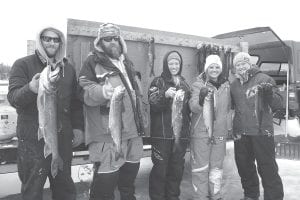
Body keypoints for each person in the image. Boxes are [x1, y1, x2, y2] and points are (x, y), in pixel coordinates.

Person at [7, 27, 84, 200]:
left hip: (62, 140)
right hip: (32, 140)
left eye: (56, 40)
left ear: (60, 43)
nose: (51, 42)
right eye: (47, 38)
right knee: (32, 190)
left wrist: (78, 128)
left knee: (65, 188)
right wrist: (31, 88)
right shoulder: (23, 64)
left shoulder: (68, 69)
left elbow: (76, 103)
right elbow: (13, 98)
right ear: (40, 40)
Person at [78, 23, 144, 200]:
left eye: (116, 38)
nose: (113, 42)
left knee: (128, 185)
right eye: (107, 39)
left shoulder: (127, 63)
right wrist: (101, 92)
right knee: (103, 190)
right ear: (100, 41)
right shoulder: (92, 62)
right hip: (106, 138)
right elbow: (82, 91)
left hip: (132, 135)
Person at [230, 52, 284, 200]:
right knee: (244, 167)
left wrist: (268, 94)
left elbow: (278, 103)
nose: (241, 67)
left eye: (243, 63)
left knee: (267, 167)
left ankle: (274, 197)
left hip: (262, 131)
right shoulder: (233, 84)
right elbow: (230, 106)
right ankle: (251, 195)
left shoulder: (264, 79)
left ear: (250, 63)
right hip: (241, 132)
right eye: (238, 64)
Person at [148, 51, 191, 200]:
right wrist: (164, 95)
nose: (174, 66)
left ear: (180, 65)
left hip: (180, 135)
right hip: (162, 136)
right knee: (160, 171)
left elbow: (190, 109)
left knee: (176, 170)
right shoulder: (157, 82)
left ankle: (173, 197)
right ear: (166, 64)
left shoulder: (185, 84)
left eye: (177, 63)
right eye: (171, 63)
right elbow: (153, 104)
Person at [189, 55, 231, 200]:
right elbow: (193, 107)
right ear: (206, 68)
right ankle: (201, 197)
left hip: (219, 133)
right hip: (201, 133)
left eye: (217, 67)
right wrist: (201, 99)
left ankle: (216, 195)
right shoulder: (198, 85)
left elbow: (229, 108)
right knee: (201, 168)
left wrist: (229, 127)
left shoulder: (226, 85)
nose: (214, 70)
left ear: (221, 68)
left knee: (216, 168)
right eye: (211, 67)